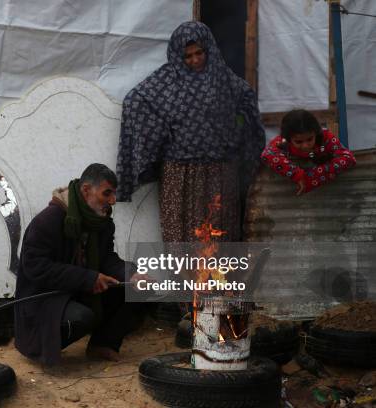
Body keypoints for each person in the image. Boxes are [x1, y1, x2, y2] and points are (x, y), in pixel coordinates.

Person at [116, 21, 265, 242]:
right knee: (180, 236)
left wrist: (234, 130)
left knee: (218, 236)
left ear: (209, 49)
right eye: (188, 56)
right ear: (177, 55)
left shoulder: (227, 82)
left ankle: (220, 278)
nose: (195, 60)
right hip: (179, 175)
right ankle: (181, 278)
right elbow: (135, 101)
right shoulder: (165, 82)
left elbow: (247, 110)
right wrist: (161, 133)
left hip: (220, 173)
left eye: (199, 53)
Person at [14, 163, 143, 365]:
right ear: (86, 190)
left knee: (134, 291)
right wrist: (88, 278)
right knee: (82, 317)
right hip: (45, 297)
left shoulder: (102, 223)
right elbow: (35, 267)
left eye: (113, 194)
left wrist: (132, 274)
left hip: (77, 288)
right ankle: (41, 346)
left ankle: (102, 344)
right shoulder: (48, 220)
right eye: (106, 193)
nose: (113, 201)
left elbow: (106, 258)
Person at [261, 109, 356, 195]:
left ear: (315, 133)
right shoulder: (283, 142)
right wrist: (297, 174)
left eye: (310, 139)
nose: (306, 145)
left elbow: (348, 158)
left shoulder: (325, 138)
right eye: (299, 142)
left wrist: (311, 177)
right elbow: (267, 154)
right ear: (288, 139)